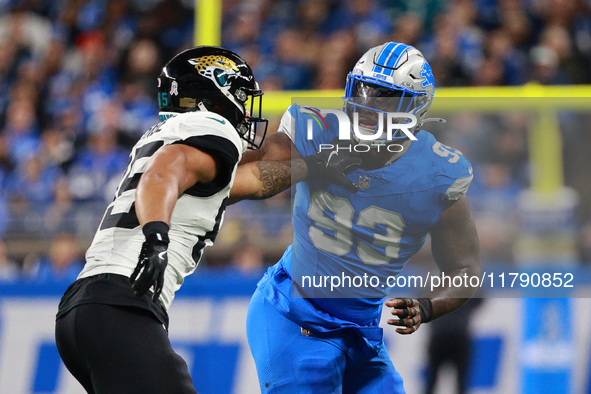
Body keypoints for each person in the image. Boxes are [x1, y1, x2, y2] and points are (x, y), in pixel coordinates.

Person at [230, 42, 482, 393]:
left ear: (416, 107)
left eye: (384, 96)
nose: (367, 104)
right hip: (294, 315)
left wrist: (428, 307)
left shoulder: (438, 174)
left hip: (361, 333)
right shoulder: (317, 130)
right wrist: (312, 164)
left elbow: (465, 270)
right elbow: (247, 175)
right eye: (363, 90)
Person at [54, 46, 277, 394]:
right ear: (219, 94)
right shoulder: (209, 127)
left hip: (86, 306)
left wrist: (332, 161)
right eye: (242, 97)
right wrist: (156, 238)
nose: (246, 111)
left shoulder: (174, 137)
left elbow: (261, 179)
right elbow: (163, 173)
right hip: (121, 301)